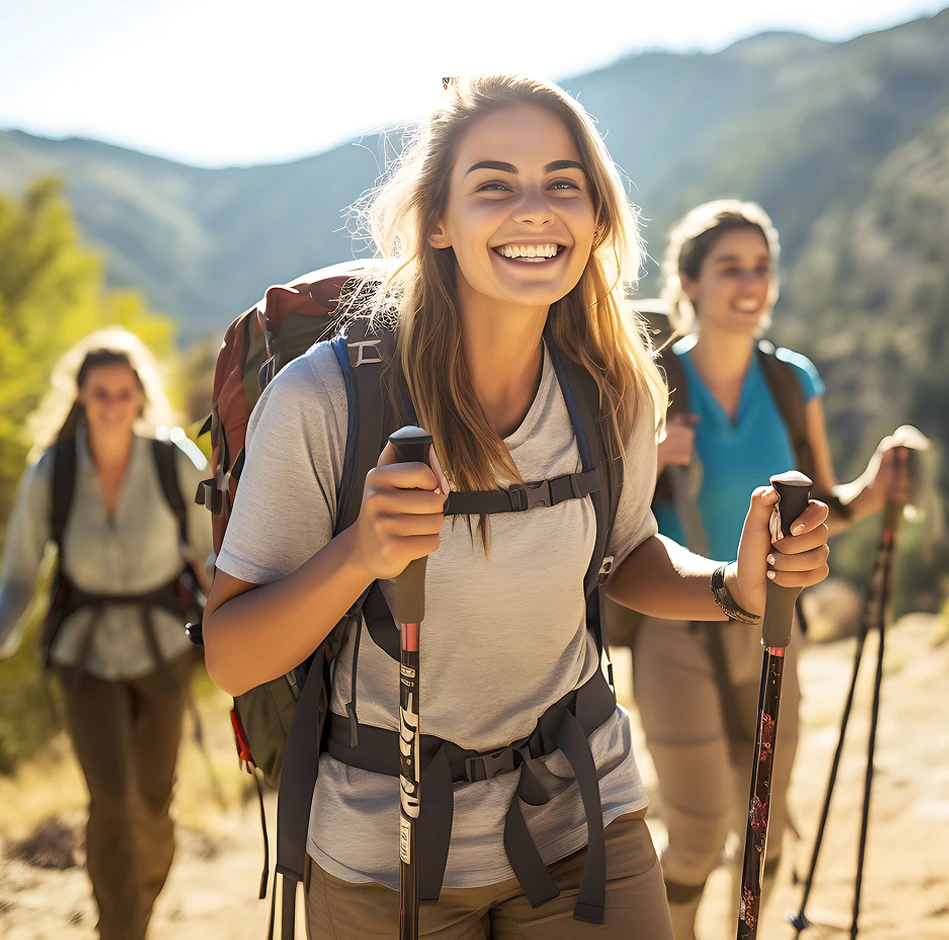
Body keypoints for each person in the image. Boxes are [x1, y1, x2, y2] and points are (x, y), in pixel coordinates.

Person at [202, 77, 830, 940]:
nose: (534, 209)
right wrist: (359, 555)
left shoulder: (611, 387)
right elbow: (233, 658)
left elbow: (623, 551)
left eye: (562, 184)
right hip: (386, 854)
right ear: (436, 221)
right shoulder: (328, 400)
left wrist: (733, 587)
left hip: (585, 816)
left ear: (596, 219)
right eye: (493, 185)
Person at [626, 199, 912, 939]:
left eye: (761, 267)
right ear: (689, 281)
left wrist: (876, 489)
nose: (750, 282)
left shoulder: (791, 380)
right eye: (730, 267)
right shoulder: (647, 380)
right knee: (697, 831)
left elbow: (823, 508)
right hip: (675, 623)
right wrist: (650, 456)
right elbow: (603, 512)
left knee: (766, 826)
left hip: (774, 623)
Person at [0, 328, 213, 940]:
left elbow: (212, 557)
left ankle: (135, 911)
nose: (114, 404)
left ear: (140, 395)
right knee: (112, 799)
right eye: (101, 393)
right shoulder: (53, 472)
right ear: (82, 397)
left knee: (154, 806)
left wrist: (242, 629)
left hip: (164, 651)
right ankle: (121, 930)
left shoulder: (174, 460)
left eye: (124, 392)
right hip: (83, 656)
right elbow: (19, 577)